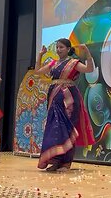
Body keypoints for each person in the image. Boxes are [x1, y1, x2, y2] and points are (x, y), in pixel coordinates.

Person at [35, 38, 96, 172]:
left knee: (67, 129)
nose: (58, 50)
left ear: (68, 49)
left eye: (61, 47)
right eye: (57, 47)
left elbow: (89, 69)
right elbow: (37, 71)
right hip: (54, 98)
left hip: (69, 100)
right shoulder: (53, 64)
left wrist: (87, 52)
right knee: (53, 129)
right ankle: (55, 161)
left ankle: (65, 163)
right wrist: (40, 55)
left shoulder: (73, 63)